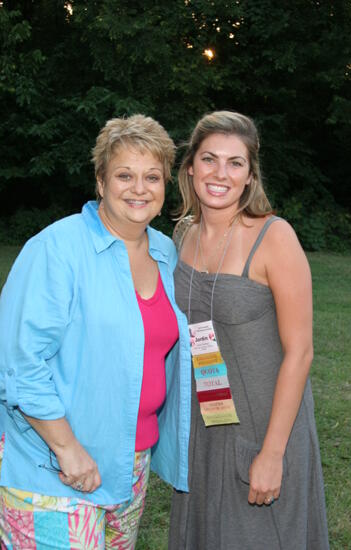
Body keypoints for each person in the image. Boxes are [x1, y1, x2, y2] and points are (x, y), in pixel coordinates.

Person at [0, 114, 191, 549]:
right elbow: (18, 364)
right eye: (124, 175)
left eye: (152, 177)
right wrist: (66, 449)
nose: (139, 188)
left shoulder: (165, 253)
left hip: (130, 465)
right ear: (101, 182)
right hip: (53, 468)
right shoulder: (56, 249)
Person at [169, 111, 329, 549]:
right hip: (205, 426)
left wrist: (273, 454)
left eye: (235, 163)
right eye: (209, 159)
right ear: (190, 168)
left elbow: (300, 353)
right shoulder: (183, 235)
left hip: (266, 427)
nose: (220, 173)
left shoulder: (274, 237)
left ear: (250, 176)